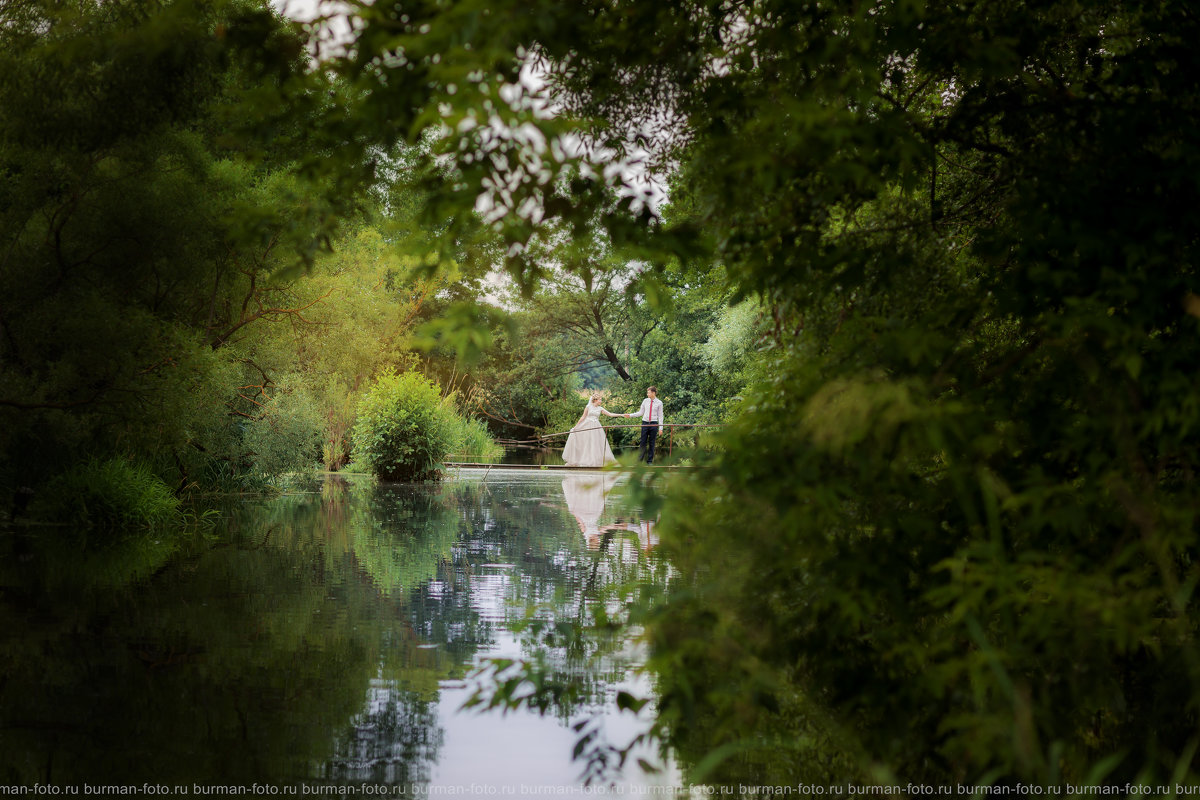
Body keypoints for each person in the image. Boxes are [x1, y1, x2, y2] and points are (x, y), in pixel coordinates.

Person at [561, 393, 622, 467]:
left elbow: (610, 414)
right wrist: (576, 427)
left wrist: (621, 415)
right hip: (587, 426)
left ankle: (595, 461)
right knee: (587, 443)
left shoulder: (600, 408)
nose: (601, 401)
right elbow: (583, 417)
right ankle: (584, 460)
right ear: (595, 400)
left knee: (596, 443)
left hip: (596, 427)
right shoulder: (588, 407)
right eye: (600, 399)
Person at [633, 386, 664, 465]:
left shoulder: (659, 403)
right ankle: (639, 461)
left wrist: (661, 428)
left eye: (648, 392)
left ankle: (649, 461)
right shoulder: (645, 401)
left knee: (652, 443)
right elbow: (640, 413)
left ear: (653, 393)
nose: (647, 394)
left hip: (653, 423)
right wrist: (630, 415)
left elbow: (660, 416)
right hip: (645, 423)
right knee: (642, 442)